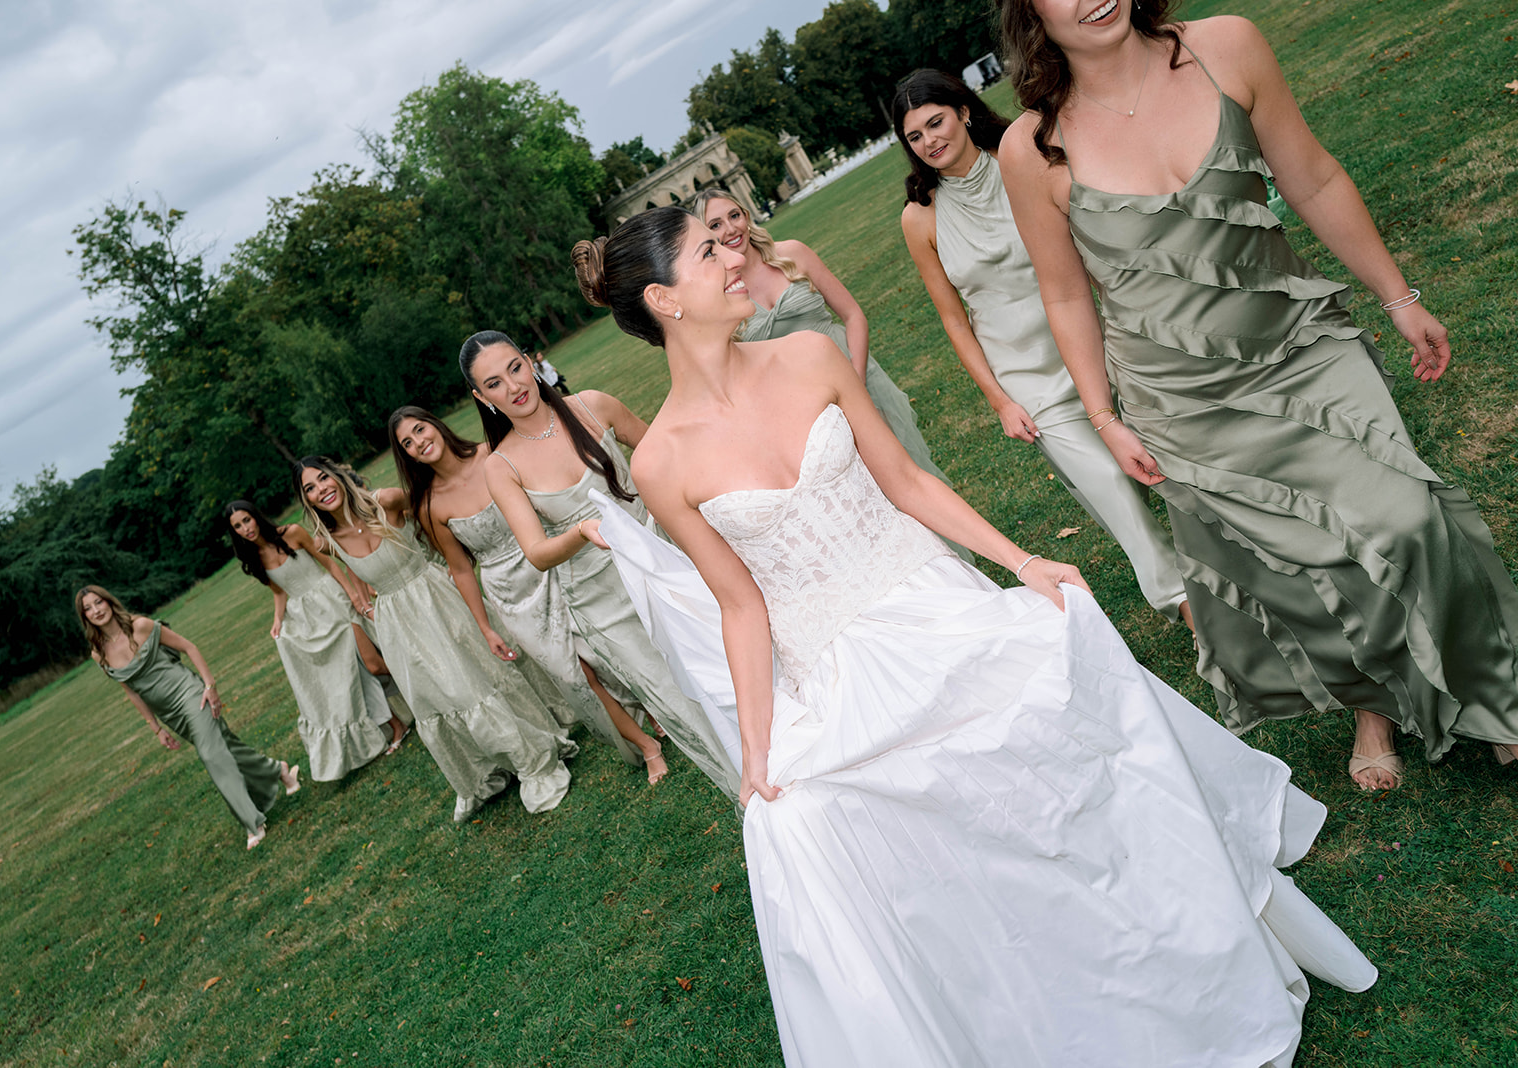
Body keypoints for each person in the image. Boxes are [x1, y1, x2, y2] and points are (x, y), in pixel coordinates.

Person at [570, 205, 1376, 1067]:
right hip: (838, 672)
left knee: (1056, 771)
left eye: (725, 241)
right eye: (708, 252)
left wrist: (1021, 561)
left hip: (926, 598)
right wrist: (755, 754)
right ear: (664, 299)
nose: (735, 257)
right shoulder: (657, 463)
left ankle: (1172, 955)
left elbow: (909, 481)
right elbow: (739, 607)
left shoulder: (807, 354)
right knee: (851, 836)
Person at [995, 1, 1518, 790]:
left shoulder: (1224, 47)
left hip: (1299, 351)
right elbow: (1065, 296)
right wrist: (1103, 417)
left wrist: (1400, 299)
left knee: (1407, 520)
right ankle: (1373, 705)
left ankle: (1499, 696)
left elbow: (1311, 177)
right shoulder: (1032, 148)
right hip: (1182, 401)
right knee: (1298, 567)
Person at [894, 68, 1190, 626]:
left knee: (1163, 467)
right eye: (915, 136)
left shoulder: (1024, 160)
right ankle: (1189, 607)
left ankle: (1234, 567)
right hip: (1027, 380)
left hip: (1097, 344)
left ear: (963, 111)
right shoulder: (920, 218)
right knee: (1113, 492)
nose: (930, 141)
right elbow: (954, 322)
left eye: (936, 122)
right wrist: (1000, 400)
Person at [463, 330, 739, 799]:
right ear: (481, 397)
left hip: (666, 561)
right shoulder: (500, 465)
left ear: (530, 361)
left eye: (514, 368)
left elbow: (665, 455)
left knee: (727, 670)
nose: (512, 387)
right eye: (494, 384)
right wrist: (579, 532)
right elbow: (536, 551)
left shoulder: (592, 406)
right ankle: (749, 795)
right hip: (603, 600)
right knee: (681, 702)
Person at [689, 189, 971, 562]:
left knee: (909, 474)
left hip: (856, 376)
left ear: (746, 214)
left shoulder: (792, 253)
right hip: (801, 414)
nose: (730, 230)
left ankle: (958, 562)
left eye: (734, 215)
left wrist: (854, 383)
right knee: (863, 502)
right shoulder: (722, 292)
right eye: (715, 226)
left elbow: (853, 315)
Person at [295, 455, 575, 820]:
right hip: (396, 624)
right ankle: (482, 774)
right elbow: (358, 570)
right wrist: (363, 600)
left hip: (434, 597)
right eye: (310, 489)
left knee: (474, 682)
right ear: (308, 501)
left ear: (336, 476)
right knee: (434, 698)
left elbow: (433, 518)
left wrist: (448, 561)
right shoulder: (324, 541)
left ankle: (532, 758)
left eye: (322, 479)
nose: (321, 490)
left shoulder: (387, 501)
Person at [386, 404, 662, 772]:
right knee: (573, 672)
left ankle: (656, 709)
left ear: (435, 425)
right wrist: (486, 628)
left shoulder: (495, 456)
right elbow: (461, 569)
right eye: (407, 442)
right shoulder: (428, 505)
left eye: (420, 430)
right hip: (512, 594)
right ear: (405, 455)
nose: (418, 442)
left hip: (553, 559)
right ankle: (645, 745)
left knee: (605, 646)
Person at [79, 584, 299, 849]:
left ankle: (252, 823)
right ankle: (279, 770)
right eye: (88, 609)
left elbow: (188, 647)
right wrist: (156, 728)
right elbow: (132, 693)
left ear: (109, 602)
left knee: (211, 755)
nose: (96, 611)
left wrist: (209, 686)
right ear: (85, 618)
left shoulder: (142, 626)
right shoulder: (98, 653)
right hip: (170, 713)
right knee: (226, 748)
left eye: (98, 602)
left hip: (191, 694)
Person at [225, 499, 409, 780]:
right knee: (350, 676)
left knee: (372, 664)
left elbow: (329, 564)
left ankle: (417, 692)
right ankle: (396, 725)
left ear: (256, 517)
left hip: (331, 602)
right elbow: (279, 590)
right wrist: (277, 619)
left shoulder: (293, 533)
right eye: (237, 526)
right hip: (306, 620)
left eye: (246, 520)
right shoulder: (254, 558)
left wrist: (351, 596)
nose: (244, 528)